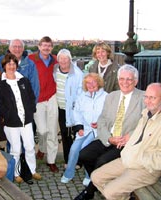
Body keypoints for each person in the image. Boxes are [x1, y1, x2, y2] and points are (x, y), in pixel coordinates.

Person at [74, 64, 145, 200]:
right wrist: (108, 138)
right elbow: (102, 120)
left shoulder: (143, 98)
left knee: (102, 161)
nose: (125, 82)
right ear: (118, 80)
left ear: (135, 81)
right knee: (84, 155)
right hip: (108, 138)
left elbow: (145, 123)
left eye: (129, 79)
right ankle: (103, 184)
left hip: (126, 142)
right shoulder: (112, 96)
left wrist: (129, 136)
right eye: (122, 78)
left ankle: (89, 191)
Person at [91, 82, 161, 200]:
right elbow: (138, 137)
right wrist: (127, 144)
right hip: (128, 159)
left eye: (153, 98)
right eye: (146, 97)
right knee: (95, 177)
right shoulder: (146, 114)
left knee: (109, 192)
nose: (148, 101)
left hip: (146, 168)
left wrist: (139, 158)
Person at [0, 53, 41, 183]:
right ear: (4, 66)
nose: (11, 66)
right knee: (15, 148)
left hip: (26, 121)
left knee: (30, 146)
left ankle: (32, 170)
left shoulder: (23, 80)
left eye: (14, 63)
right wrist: (8, 115)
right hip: (11, 122)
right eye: (8, 63)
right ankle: (16, 173)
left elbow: (31, 97)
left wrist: (31, 111)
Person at [61, 73, 108, 184]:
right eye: (88, 83)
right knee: (73, 149)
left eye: (93, 82)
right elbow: (76, 113)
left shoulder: (106, 96)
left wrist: (99, 123)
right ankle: (68, 173)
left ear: (98, 82)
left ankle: (89, 175)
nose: (90, 85)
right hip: (85, 129)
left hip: (98, 130)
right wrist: (79, 127)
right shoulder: (82, 97)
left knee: (85, 148)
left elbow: (108, 115)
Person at [29, 36, 59, 173]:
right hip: (37, 99)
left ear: (51, 47)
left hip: (52, 97)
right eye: (44, 45)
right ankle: (42, 147)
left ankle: (51, 160)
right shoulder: (31, 59)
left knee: (52, 130)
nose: (46, 48)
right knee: (42, 130)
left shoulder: (55, 60)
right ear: (39, 46)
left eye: (49, 46)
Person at [53, 48, 83, 167]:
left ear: (70, 60)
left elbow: (81, 92)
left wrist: (76, 108)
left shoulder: (77, 73)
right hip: (61, 108)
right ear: (58, 60)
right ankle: (67, 160)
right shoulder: (55, 70)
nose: (64, 61)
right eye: (61, 58)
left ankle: (78, 161)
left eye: (66, 58)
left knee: (76, 136)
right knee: (65, 135)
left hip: (74, 109)